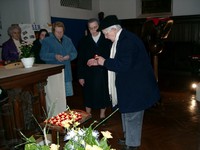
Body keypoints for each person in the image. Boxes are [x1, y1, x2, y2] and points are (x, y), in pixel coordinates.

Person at [87, 15, 160, 150]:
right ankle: (128, 137)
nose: (106, 37)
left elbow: (123, 65)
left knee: (132, 115)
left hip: (137, 87)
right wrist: (100, 62)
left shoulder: (127, 41)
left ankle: (132, 145)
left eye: (106, 34)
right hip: (130, 85)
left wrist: (104, 62)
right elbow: (119, 61)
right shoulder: (122, 38)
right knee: (126, 111)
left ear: (113, 29)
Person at [77, 18, 112, 122]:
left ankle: (102, 115)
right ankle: (88, 114)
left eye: (95, 27)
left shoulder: (107, 39)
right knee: (88, 94)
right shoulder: (84, 41)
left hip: (103, 72)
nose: (93, 30)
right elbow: (80, 60)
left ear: (99, 26)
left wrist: (99, 61)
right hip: (89, 73)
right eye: (90, 28)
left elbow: (111, 56)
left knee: (104, 93)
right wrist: (80, 76)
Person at [40, 21, 77, 97]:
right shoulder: (47, 41)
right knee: (56, 97)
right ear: (53, 31)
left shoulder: (68, 40)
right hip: (54, 74)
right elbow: (42, 55)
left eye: (61, 32)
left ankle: (66, 109)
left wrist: (69, 56)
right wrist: (54, 56)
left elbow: (75, 53)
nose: (60, 34)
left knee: (67, 97)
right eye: (57, 32)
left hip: (67, 74)